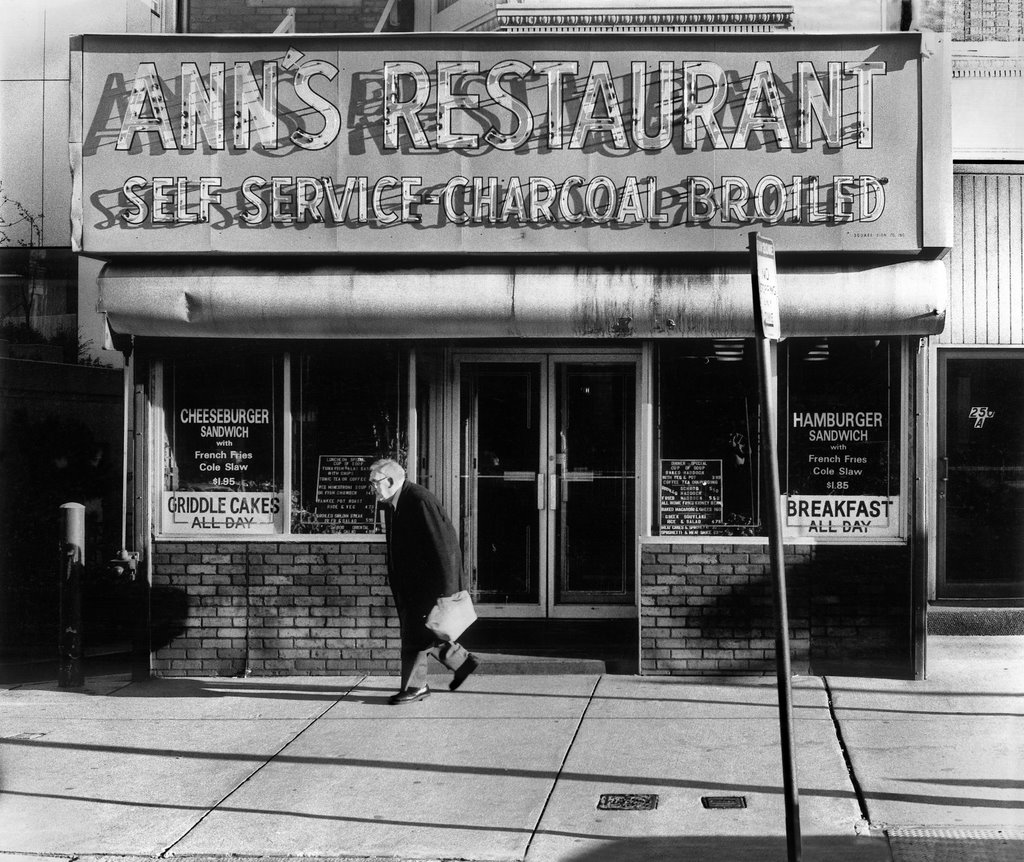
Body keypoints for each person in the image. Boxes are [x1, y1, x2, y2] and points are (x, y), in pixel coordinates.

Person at [369, 458, 479, 704]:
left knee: (414, 637)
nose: (373, 488)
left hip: (426, 587)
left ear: (389, 481)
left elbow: (445, 546)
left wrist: (448, 592)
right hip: (413, 586)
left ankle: (416, 687)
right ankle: (461, 662)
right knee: (422, 633)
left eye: (375, 482)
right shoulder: (396, 503)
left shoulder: (419, 500)